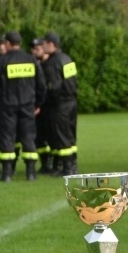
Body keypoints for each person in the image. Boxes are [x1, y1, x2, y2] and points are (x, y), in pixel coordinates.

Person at [0, 31, 46, 181]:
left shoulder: (1, 61)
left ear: (8, 43)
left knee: (7, 138)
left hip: (7, 106)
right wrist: (38, 103)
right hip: (27, 105)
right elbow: (41, 85)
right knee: (28, 137)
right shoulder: (31, 60)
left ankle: (6, 174)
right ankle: (31, 173)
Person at [42, 32, 78, 176]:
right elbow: (72, 82)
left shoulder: (53, 62)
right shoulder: (67, 59)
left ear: (51, 44)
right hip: (72, 102)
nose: (42, 46)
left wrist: (46, 96)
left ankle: (67, 168)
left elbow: (54, 86)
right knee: (70, 135)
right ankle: (72, 165)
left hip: (59, 104)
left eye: (44, 43)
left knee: (62, 136)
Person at [31, 37, 52, 173]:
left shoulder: (50, 65)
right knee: (39, 137)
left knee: (50, 136)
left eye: (37, 49)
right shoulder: (33, 66)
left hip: (49, 107)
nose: (35, 52)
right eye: (33, 49)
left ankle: (52, 162)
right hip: (36, 107)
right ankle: (45, 163)